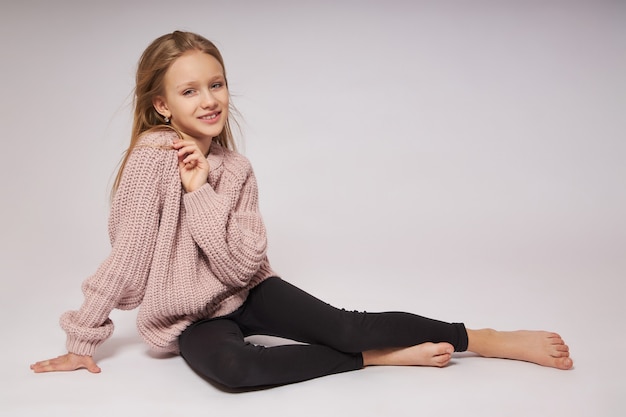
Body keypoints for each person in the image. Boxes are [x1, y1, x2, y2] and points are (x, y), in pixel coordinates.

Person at [30, 31, 573, 389]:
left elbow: (241, 267)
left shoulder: (236, 168)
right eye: (189, 91)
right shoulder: (151, 160)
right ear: (162, 105)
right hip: (189, 314)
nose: (209, 100)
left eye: (215, 84)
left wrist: (201, 191)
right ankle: (372, 362)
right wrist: (82, 338)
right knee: (235, 371)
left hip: (247, 290)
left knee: (346, 325)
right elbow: (127, 259)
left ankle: (481, 338)